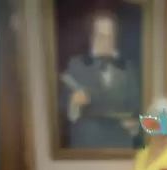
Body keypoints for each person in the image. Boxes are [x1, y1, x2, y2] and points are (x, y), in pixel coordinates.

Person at [59, 12, 140, 148]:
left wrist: (134, 124)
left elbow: (136, 106)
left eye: (109, 36)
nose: (106, 41)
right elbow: (64, 111)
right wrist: (74, 103)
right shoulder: (76, 66)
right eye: (101, 36)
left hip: (120, 143)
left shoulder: (128, 68)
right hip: (88, 143)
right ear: (92, 37)